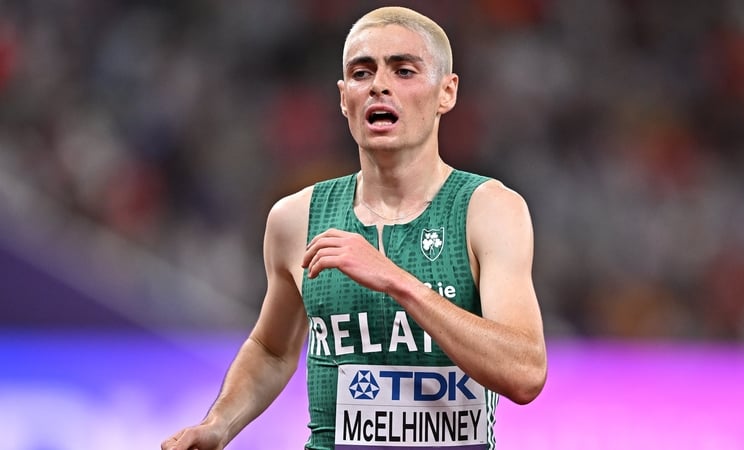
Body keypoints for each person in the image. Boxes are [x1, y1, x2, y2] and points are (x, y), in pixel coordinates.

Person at [161, 6, 546, 450]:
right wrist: (219, 425)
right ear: (345, 98)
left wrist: (398, 281)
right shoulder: (296, 218)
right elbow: (272, 349)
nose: (380, 85)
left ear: (447, 92)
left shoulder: (488, 210)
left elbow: (524, 373)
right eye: (362, 73)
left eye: (403, 70)